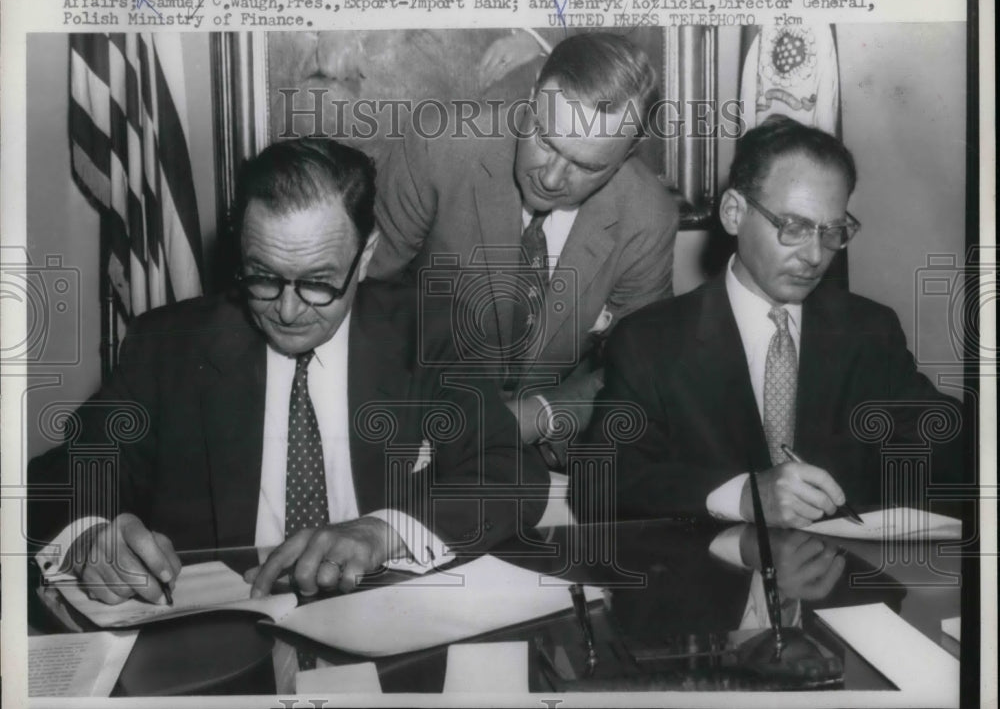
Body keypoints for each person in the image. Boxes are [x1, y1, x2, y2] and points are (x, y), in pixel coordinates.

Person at [27, 138, 548, 604]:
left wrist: (380, 532)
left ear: (365, 257)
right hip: (218, 643)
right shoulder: (168, 348)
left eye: (319, 282)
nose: (288, 310)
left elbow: (510, 475)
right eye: (264, 277)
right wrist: (89, 538)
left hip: (382, 617)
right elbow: (56, 480)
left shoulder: (428, 330)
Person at [576, 116, 964, 527]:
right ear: (733, 213)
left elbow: (952, 445)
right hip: (710, 583)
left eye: (832, 231)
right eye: (794, 227)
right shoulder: (650, 340)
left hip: (842, 581)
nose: (815, 255)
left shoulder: (870, 331)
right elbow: (598, 484)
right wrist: (742, 496)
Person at [368, 32, 680, 454]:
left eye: (586, 166)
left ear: (627, 155)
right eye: (545, 141)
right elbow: (362, 297)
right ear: (532, 97)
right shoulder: (438, 145)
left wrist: (538, 416)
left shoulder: (647, 216)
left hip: (552, 447)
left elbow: (644, 369)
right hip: (411, 423)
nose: (550, 179)